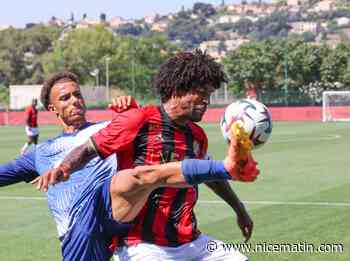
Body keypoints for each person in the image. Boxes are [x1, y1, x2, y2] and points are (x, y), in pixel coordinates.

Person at [1, 71, 257, 261]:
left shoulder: (109, 128)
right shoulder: (41, 153)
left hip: (116, 213)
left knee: (142, 176)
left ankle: (227, 167)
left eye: (77, 94)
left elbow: (156, 133)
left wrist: (131, 109)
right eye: (65, 98)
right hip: (78, 232)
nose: (75, 101)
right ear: (53, 109)